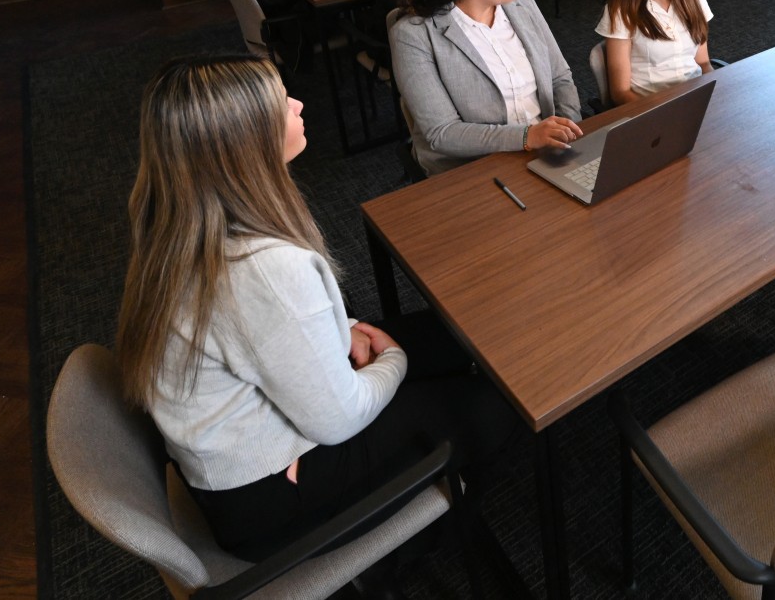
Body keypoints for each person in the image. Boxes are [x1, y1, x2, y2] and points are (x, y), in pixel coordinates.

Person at [115, 56, 518, 561]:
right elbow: (339, 419)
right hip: (266, 499)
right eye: (281, 101)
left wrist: (345, 329)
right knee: (494, 403)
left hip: (229, 453)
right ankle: (427, 547)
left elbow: (257, 329)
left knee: (453, 337)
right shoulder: (265, 269)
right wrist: (393, 358)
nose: (298, 103)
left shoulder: (180, 222)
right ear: (244, 141)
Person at [391, 0, 583, 176]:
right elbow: (443, 133)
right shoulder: (414, 35)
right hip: (474, 167)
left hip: (546, 150)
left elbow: (560, 77)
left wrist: (569, 130)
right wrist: (527, 137)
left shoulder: (522, 2)